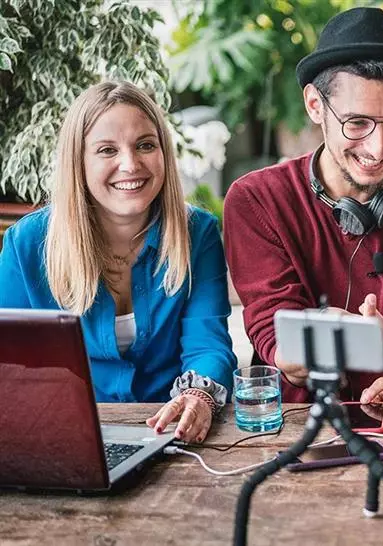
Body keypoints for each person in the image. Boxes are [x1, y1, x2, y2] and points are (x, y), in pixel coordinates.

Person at [224, 7, 383, 405]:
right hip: (297, 430)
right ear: (314, 105)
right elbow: (272, 334)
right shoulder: (257, 200)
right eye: (357, 123)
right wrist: (333, 338)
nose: (379, 147)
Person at [0, 81, 236, 444]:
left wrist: (199, 395)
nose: (130, 164)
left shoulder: (197, 234)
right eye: (107, 150)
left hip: (170, 433)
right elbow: (12, 366)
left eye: (145, 145)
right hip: (65, 435)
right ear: (78, 163)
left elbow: (208, 343)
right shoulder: (27, 245)